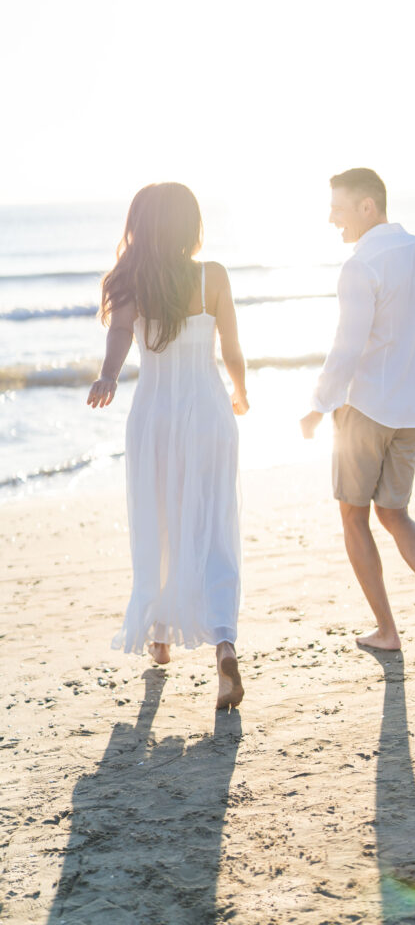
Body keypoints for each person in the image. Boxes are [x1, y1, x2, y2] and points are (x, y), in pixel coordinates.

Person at [87, 183, 248, 709]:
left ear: (141, 225)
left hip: (156, 417)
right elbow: (231, 347)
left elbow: (119, 334)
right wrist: (241, 392)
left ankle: (159, 635)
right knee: (215, 524)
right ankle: (224, 644)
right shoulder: (213, 276)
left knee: (158, 518)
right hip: (209, 414)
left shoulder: (132, 279)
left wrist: (109, 375)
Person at [300, 168, 415, 651]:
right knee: (395, 514)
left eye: (338, 209)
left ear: (368, 207)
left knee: (354, 516)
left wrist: (318, 405)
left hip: (365, 411)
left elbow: (346, 349)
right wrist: (404, 362)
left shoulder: (361, 265)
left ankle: (388, 631)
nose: (332, 219)